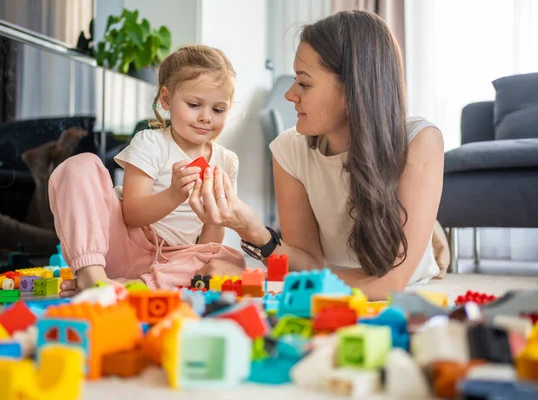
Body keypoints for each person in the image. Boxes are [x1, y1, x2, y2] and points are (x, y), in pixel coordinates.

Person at [189, 11, 445, 301]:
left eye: (304, 83)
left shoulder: (420, 140)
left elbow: (389, 283)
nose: (289, 94)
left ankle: (434, 240)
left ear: (352, 89)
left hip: (403, 266)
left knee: (414, 246)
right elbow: (306, 264)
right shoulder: (288, 149)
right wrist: (252, 229)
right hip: (334, 268)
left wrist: (254, 280)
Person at [48, 45, 246, 297]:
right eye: (194, 104)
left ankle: (133, 286)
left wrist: (212, 222)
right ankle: (91, 273)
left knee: (227, 260)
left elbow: (208, 243)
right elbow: (131, 214)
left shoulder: (226, 161)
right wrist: (174, 194)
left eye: (218, 109)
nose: (207, 117)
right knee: (80, 164)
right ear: (166, 99)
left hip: (169, 261)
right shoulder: (150, 143)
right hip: (123, 242)